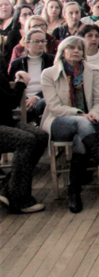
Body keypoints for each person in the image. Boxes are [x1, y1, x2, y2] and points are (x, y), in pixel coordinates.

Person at [41, 36, 99, 213]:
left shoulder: (93, 71)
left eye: (79, 48)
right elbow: (54, 107)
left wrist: (94, 113)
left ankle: (74, 192)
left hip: (90, 121)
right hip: (59, 121)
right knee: (80, 122)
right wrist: (80, 114)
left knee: (80, 139)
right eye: (72, 47)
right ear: (62, 51)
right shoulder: (49, 74)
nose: (76, 51)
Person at [0, 37, 49, 213]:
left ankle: (8, 188)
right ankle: (19, 199)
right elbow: (9, 100)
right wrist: (21, 84)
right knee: (26, 140)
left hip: (4, 121)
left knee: (40, 135)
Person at [7, 29, 54, 123]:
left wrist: (36, 97)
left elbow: (54, 84)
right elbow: (11, 86)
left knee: (43, 103)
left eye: (43, 41)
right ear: (27, 44)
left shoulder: (52, 60)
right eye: (36, 41)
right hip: (22, 99)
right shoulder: (17, 63)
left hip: (44, 98)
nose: (41, 44)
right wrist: (25, 100)